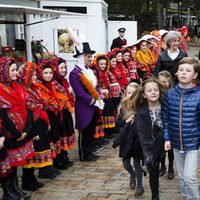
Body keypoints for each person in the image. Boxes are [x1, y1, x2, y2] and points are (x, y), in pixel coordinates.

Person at [162, 57, 200, 200]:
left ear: (195, 75)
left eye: (188, 70)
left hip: (193, 143)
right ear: (177, 72)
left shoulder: (198, 94)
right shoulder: (170, 94)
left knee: (190, 177)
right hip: (176, 143)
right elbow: (165, 118)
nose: (183, 73)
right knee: (182, 176)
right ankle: (185, 197)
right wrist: (167, 138)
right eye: (181, 70)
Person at [0, 57, 34, 200]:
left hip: (21, 132)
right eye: (12, 70)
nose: (15, 73)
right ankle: (8, 193)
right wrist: (16, 132)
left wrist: (26, 130)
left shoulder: (17, 87)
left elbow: (26, 108)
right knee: (8, 165)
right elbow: (3, 116)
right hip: (9, 134)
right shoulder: (1, 91)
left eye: (16, 70)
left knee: (15, 164)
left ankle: (16, 189)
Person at [69, 42, 105, 162]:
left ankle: (89, 150)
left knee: (91, 129)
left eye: (91, 56)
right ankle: (84, 153)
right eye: (88, 56)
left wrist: (99, 98)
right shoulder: (74, 73)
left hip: (94, 104)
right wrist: (93, 101)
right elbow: (80, 92)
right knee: (85, 130)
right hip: (84, 106)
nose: (91, 59)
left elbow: (96, 86)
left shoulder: (89, 70)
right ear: (81, 57)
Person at [134, 78, 165, 200]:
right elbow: (142, 134)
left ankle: (167, 166)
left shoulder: (165, 106)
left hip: (167, 141)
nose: (153, 92)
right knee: (154, 169)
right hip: (151, 145)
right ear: (144, 95)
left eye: (156, 90)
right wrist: (147, 153)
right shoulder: (141, 112)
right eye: (149, 91)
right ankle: (155, 196)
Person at [113, 82, 144, 198]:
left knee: (137, 163)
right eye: (128, 93)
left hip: (137, 140)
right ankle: (132, 175)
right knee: (126, 163)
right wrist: (125, 121)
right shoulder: (122, 107)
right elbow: (117, 123)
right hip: (126, 139)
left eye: (133, 93)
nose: (130, 95)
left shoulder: (141, 107)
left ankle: (140, 186)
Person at [157, 70, 174, 179]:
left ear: (170, 82)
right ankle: (162, 166)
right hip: (159, 124)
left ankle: (171, 167)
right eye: (161, 81)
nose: (163, 84)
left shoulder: (172, 93)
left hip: (171, 124)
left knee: (170, 149)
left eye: (165, 81)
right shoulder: (156, 93)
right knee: (161, 148)